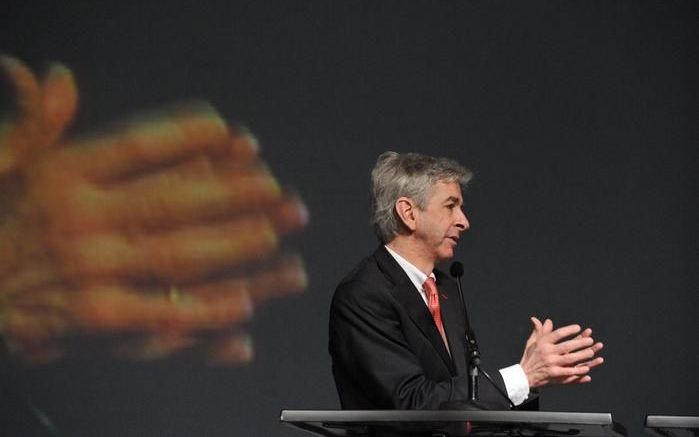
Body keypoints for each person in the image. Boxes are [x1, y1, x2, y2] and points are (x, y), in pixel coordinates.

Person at [329, 151, 604, 410]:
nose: (464, 221)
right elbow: (412, 403)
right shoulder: (363, 295)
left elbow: (464, 401)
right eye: (451, 206)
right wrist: (522, 376)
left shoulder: (445, 289)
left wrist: (529, 381)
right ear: (408, 213)